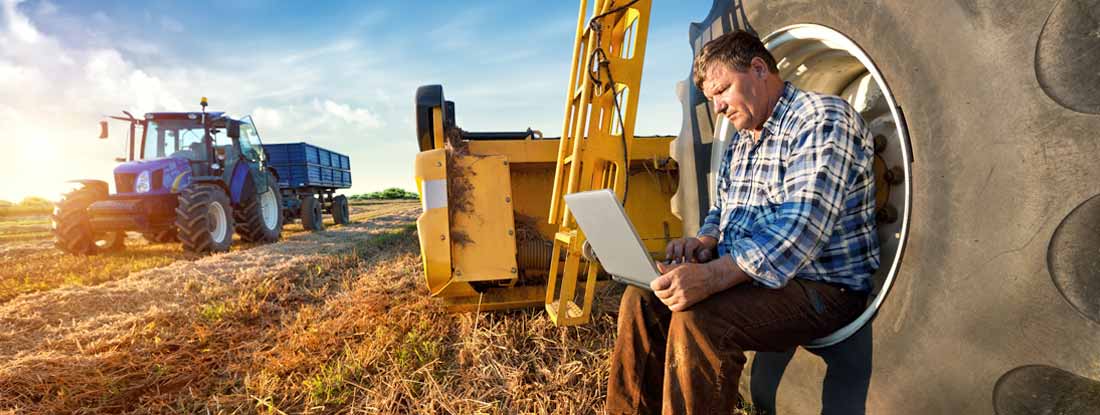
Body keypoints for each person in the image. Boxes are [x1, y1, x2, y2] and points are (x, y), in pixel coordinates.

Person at [605, 29, 880, 414]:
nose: (717, 106)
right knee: (642, 299)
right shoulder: (743, 140)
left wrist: (713, 277)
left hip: (822, 287)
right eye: (711, 97)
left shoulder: (820, 119)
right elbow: (724, 208)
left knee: (699, 319)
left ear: (758, 69)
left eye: (722, 90)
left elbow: (800, 230)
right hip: (761, 279)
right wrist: (705, 241)